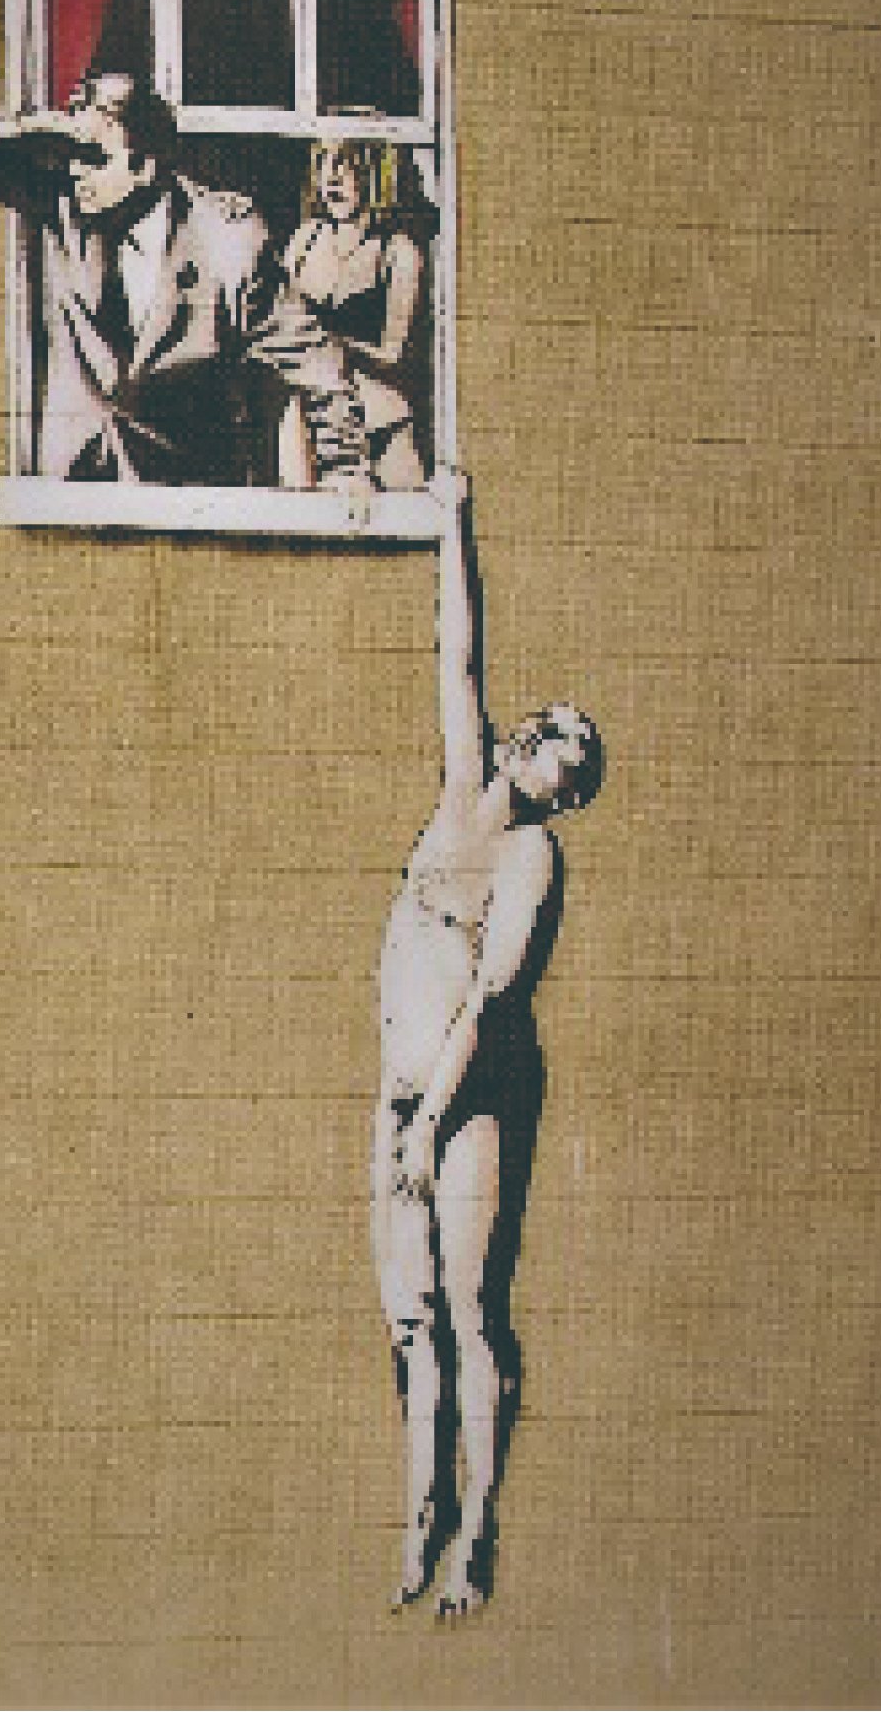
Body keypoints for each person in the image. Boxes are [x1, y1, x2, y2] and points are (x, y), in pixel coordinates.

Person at [376, 465, 600, 1619]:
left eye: (557, 772)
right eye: (539, 742)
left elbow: (488, 1001)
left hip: (468, 1103)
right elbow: (455, 653)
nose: (532, 763)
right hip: (399, 1095)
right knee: (408, 1316)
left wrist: (430, 1125)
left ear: (563, 797)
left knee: (467, 1311)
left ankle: (476, 1530)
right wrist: (451, 521)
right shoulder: (463, 787)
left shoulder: (529, 858)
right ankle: (419, 1517)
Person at [0, 72, 276, 485]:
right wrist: (40, 124)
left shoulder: (224, 234)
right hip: (74, 489)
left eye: (94, 157)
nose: (76, 171)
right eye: (73, 154)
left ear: (145, 166)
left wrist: (337, 484)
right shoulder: (60, 204)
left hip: (179, 494)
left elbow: (310, 368)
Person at [253, 135, 432, 491]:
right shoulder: (305, 241)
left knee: (405, 505)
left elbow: (394, 355)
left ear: (374, 173)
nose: (332, 177)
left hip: (377, 411)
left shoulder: (398, 252)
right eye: (324, 163)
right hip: (312, 406)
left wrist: (327, 346)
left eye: (347, 164)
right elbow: (272, 326)